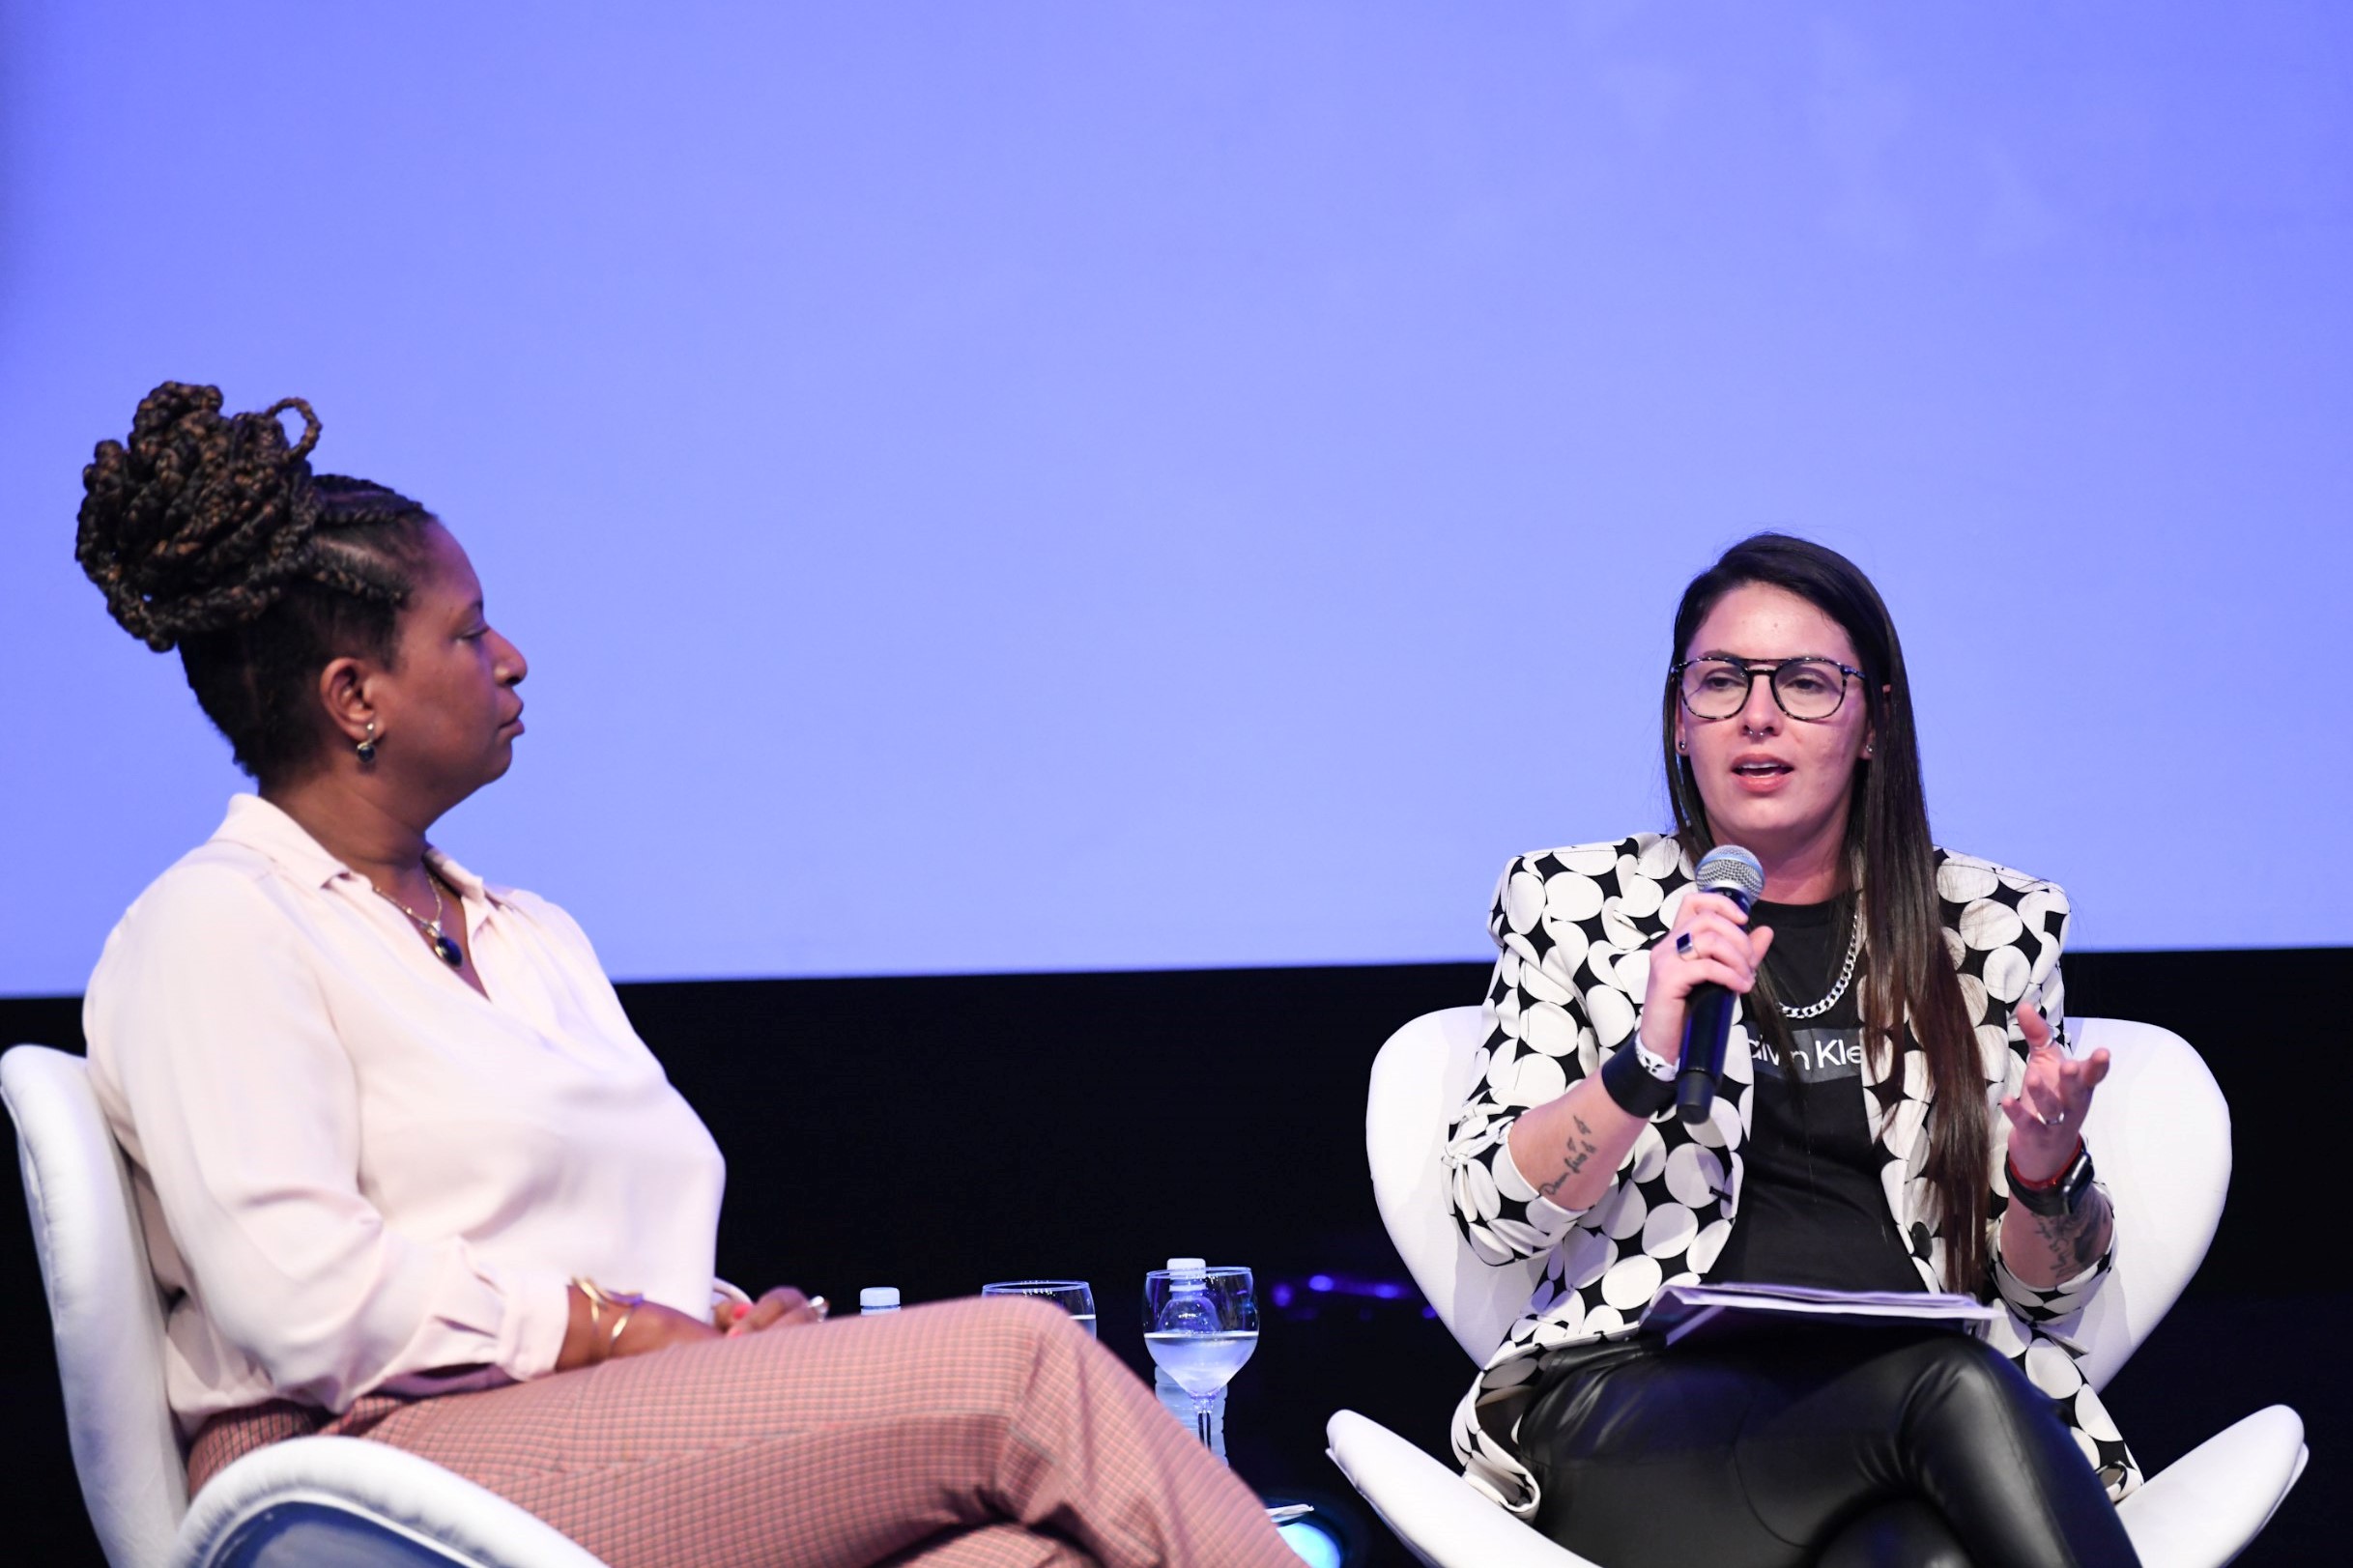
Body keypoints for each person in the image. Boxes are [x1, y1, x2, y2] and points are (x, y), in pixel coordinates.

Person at [72, 383, 1298, 1568]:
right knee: (1021, 1368)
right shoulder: (221, 926)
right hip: (360, 1477)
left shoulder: (521, 931)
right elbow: (301, 1296)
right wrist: (609, 1332)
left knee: (1022, 1557)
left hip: (579, 1436)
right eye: (464, 630)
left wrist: (706, 1322)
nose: (511, 658)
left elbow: (563, 1230)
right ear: (355, 698)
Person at [1443, 534, 2141, 1567]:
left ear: (1873, 725)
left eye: (1805, 682)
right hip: (1637, 1415)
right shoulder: (1576, 904)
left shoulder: (1989, 927)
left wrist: (2044, 1175)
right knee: (1949, 1388)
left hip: (1907, 1415)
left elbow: (2046, 1293)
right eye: (1720, 681)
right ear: (1680, 721)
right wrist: (1641, 1059)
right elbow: (1489, 1214)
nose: (1757, 714)